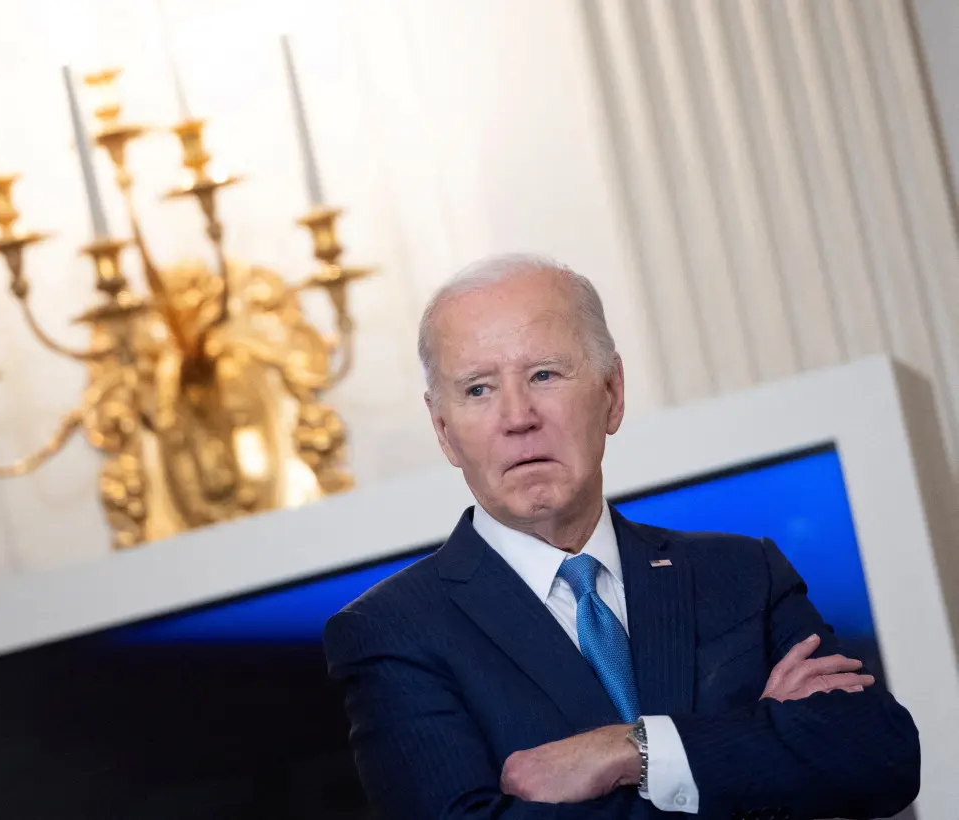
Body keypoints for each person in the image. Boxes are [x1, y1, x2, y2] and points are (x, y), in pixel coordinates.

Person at [322, 254, 920, 819]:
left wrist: (632, 749)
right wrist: (754, 750)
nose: (517, 416)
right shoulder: (392, 631)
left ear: (612, 393)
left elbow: (880, 754)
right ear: (444, 432)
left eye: (544, 374)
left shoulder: (741, 573)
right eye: (479, 388)